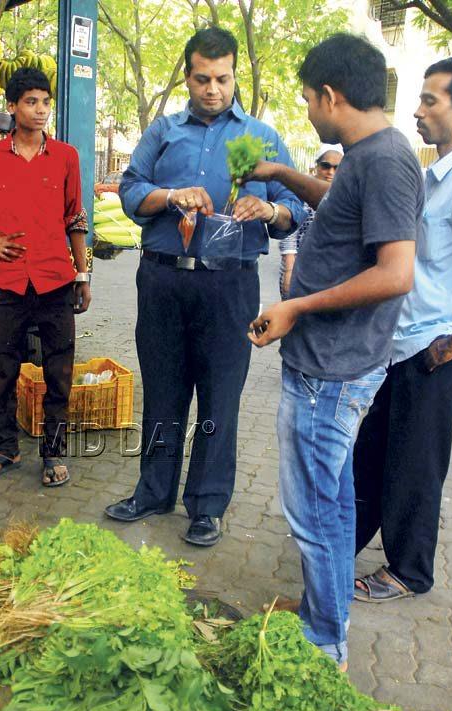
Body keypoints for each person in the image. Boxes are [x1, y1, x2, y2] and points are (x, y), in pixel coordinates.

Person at [245, 33, 424, 667]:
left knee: (313, 510)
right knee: (333, 498)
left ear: (330, 94)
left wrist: (295, 306)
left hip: (334, 369)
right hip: (330, 363)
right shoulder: (366, 154)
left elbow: (396, 272)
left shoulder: (385, 159)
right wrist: (284, 175)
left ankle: (324, 646)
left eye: (307, 99)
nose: (307, 109)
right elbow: (343, 211)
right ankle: (329, 617)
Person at [104, 26, 304, 547]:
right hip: (164, 279)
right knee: (164, 391)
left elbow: (296, 208)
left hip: (229, 286)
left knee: (220, 400)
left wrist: (270, 208)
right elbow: (130, 191)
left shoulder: (259, 138)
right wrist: (169, 197)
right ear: (187, 77)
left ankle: (207, 506)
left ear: (234, 74)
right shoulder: (165, 131)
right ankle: (152, 491)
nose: (212, 88)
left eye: (222, 78)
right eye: (201, 79)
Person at [0, 67, 91, 487]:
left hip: (56, 281)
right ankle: (4, 449)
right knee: (5, 369)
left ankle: (53, 453)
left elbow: (75, 217)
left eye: (46, 101)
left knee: (58, 372)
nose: (41, 109)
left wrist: (82, 273)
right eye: (31, 101)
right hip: (9, 282)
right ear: (12, 107)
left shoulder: (66, 156)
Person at [353, 57, 452, 603]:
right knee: (373, 452)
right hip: (402, 345)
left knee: (415, 467)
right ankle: (341, 540)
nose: (417, 110)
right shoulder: (431, 177)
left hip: (434, 350)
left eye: (431, 100)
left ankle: (410, 571)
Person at [278, 144, 342, 298]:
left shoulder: (345, 196)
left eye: (337, 167)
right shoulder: (303, 191)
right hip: (299, 270)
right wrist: (289, 270)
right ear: (317, 166)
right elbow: (289, 232)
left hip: (332, 274)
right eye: (325, 166)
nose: (330, 172)